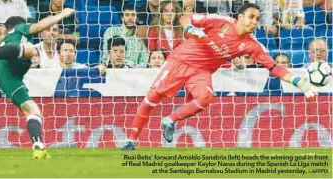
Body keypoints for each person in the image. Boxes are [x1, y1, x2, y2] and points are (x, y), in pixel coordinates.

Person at [121, 3, 318, 150]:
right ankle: (131, 139)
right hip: (180, 60)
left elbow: (274, 67)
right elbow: (185, 17)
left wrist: (300, 83)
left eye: (257, 19)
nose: (254, 22)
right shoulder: (221, 21)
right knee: (151, 99)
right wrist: (190, 28)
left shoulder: (252, 45)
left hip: (201, 71)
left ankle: (170, 120)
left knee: (205, 98)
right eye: (251, 17)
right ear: (240, 17)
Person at [0, 8, 76, 158]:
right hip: (15, 65)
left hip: (7, 76)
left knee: (33, 112)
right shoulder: (20, 29)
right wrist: (62, 15)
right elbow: (40, 26)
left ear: (5, 31)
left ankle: (38, 145)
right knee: (30, 49)